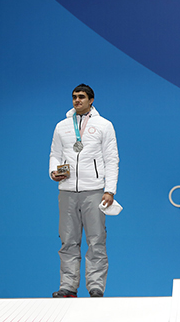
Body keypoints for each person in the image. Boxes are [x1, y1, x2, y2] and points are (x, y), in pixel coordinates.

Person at [49, 84, 119, 298]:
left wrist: (110, 190)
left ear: (91, 100)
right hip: (67, 191)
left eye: (81, 97)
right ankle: (68, 286)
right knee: (68, 241)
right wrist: (53, 172)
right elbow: (54, 154)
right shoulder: (62, 126)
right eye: (74, 97)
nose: (76, 100)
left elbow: (111, 158)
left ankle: (95, 286)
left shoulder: (104, 125)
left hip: (94, 190)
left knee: (96, 240)